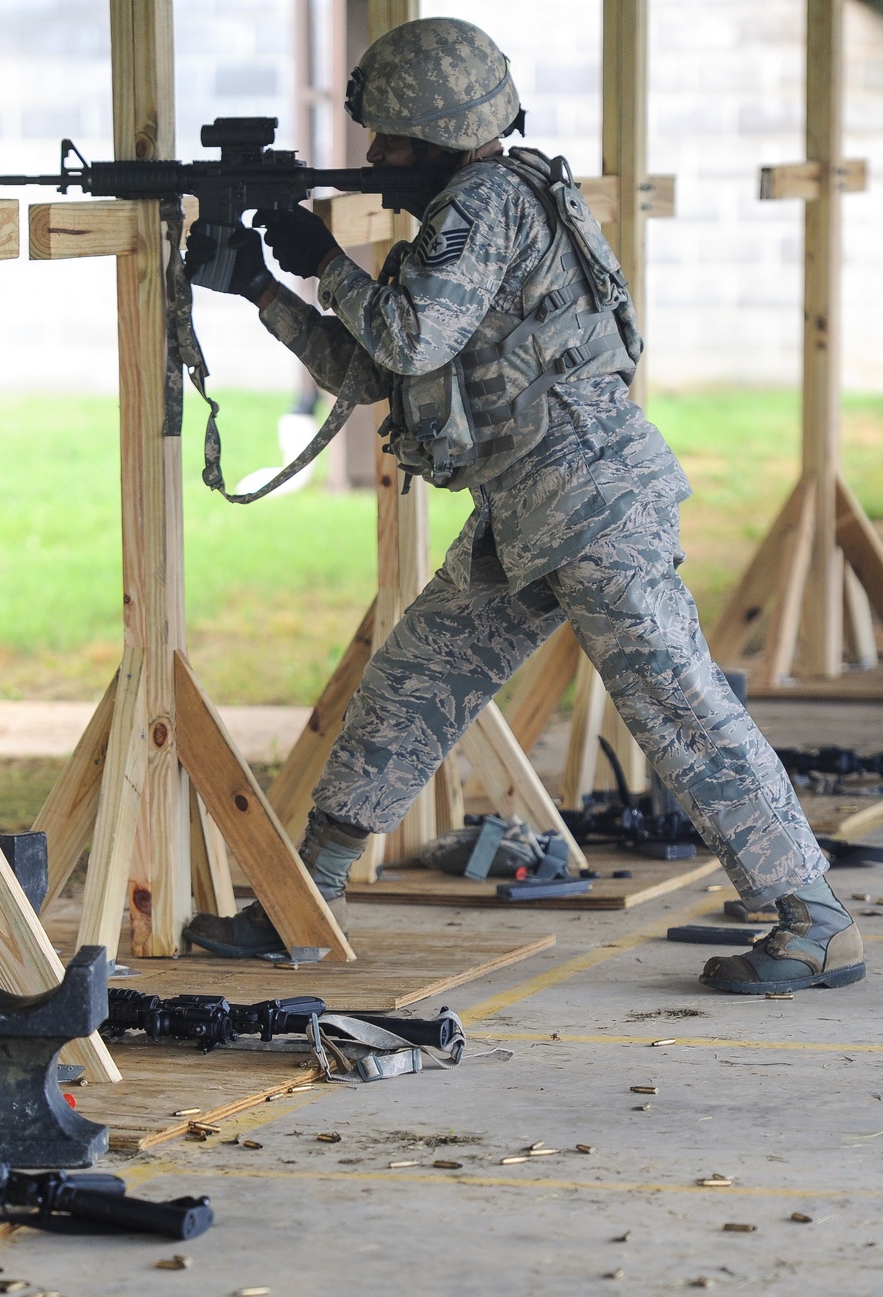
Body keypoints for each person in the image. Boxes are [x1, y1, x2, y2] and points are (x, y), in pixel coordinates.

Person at [182, 17, 864, 996]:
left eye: (389, 140)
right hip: (530, 514)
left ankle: (814, 919)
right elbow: (371, 372)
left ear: (435, 132)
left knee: (678, 706)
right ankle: (303, 903)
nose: (374, 158)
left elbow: (408, 341)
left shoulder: (484, 205)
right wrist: (260, 286)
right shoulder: (478, 202)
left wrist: (319, 260)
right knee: (409, 686)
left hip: (591, 509)